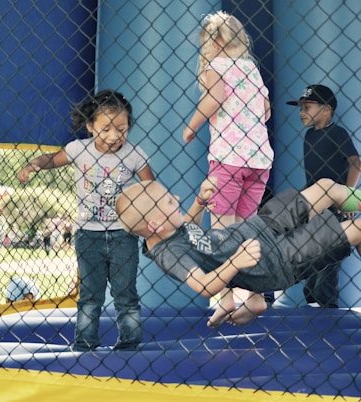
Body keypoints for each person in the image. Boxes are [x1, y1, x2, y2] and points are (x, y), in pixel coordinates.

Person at [116, 177, 361, 328]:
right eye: (169, 201)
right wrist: (235, 261)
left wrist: (199, 203)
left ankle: (254, 299)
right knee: (355, 229)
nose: (176, 197)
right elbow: (204, 286)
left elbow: (188, 229)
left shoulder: (168, 230)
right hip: (277, 260)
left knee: (326, 187)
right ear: (155, 225)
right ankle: (254, 297)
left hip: (260, 226)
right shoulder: (168, 255)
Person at [17, 89, 155, 351]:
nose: (114, 136)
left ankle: (129, 342)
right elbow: (52, 159)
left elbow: (151, 187)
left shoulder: (135, 154)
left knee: (125, 293)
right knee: (90, 295)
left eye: (122, 130)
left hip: (122, 234)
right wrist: (34, 164)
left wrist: (148, 214)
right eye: (106, 129)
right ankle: (85, 342)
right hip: (87, 234)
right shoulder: (79, 149)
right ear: (91, 127)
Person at [182, 11, 274, 315]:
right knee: (246, 231)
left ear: (214, 42)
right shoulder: (250, 68)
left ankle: (225, 298)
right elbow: (265, 109)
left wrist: (193, 125)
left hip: (228, 159)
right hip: (259, 160)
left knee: (221, 232)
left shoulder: (215, 66)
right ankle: (256, 293)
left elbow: (214, 99)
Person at [286, 84, 361, 308]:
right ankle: (312, 299)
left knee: (330, 257)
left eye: (307, 107)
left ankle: (327, 305)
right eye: (300, 107)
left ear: (326, 110)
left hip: (336, 208)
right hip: (316, 208)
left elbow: (355, 163)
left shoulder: (336, 133)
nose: (301, 112)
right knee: (313, 255)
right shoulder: (309, 136)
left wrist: (347, 198)